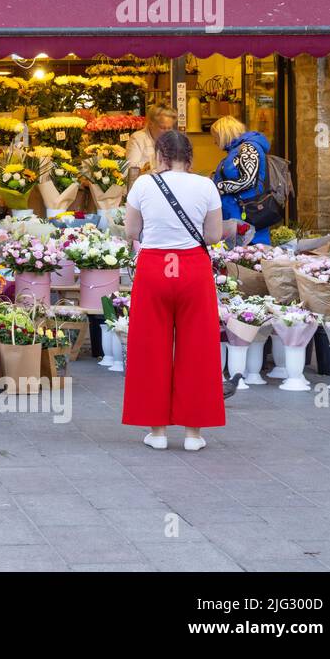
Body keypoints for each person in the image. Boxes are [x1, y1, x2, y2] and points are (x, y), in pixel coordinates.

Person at [122, 129, 225, 451]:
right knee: (199, 349)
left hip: (154, 268)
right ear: (189, 156)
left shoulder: (143, 184)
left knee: (150, 348)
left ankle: (158, 431)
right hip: (193, 268)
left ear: (159, 155)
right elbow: (213, 234)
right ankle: (194, 433)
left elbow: (131, 230)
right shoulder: (206, 186)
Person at [210, 116, 273, 245]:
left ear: (224, 133)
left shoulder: (248, 148)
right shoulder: (237, 150)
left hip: (246, 213)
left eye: (215, 136)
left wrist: (219, 187)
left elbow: (248, 180)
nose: (214, 141)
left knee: (247, 256)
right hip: (237, 213)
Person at [124, 105, 177, 185]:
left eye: (169, 128)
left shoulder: (172, 140)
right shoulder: (138, 138)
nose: (167, 132)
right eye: (162, 128)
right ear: (151, 124)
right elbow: (132, 172)